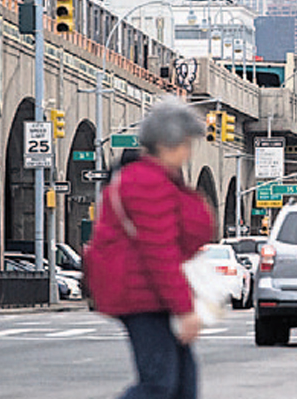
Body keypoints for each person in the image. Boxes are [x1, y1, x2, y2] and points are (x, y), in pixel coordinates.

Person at [87, 96, 214, 399]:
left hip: (152, 295)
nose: (188, 152)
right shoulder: (144, 182)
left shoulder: (156, 178)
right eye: (186, 143)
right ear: (170, 143)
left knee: (181, 386)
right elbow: (159, 251)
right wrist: (184, 310)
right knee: (159, 385)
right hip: (142, 297)